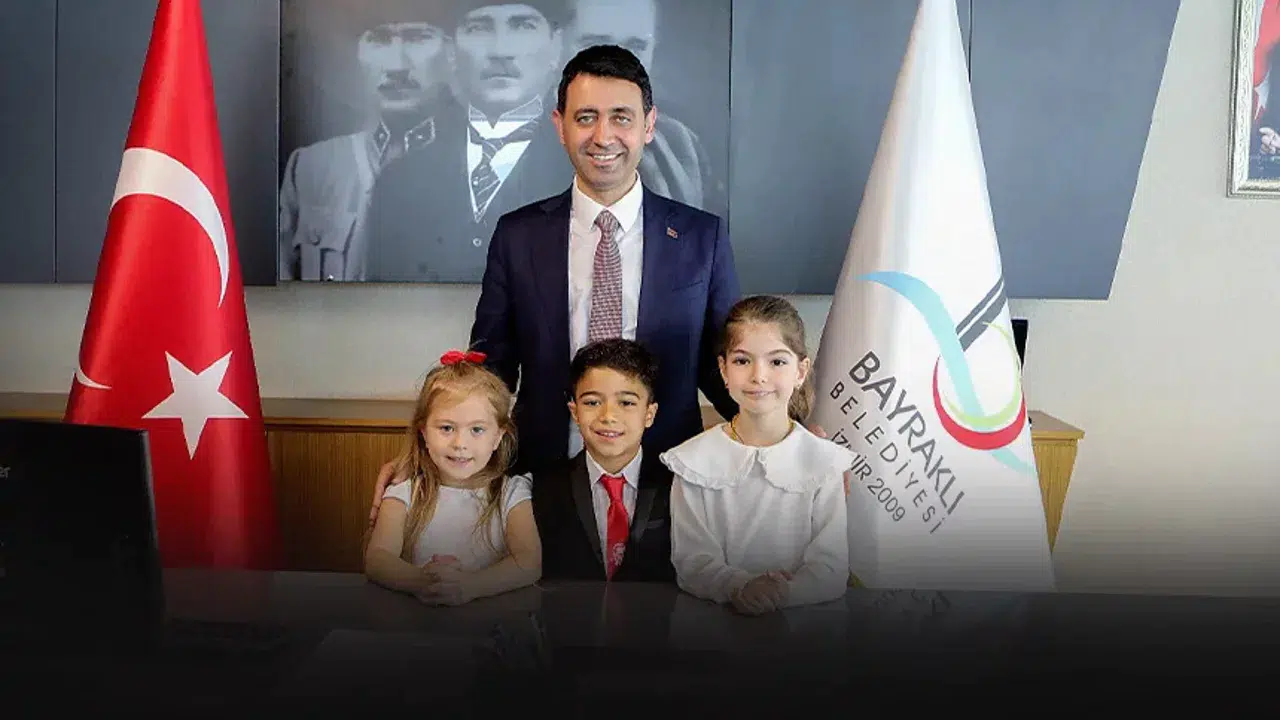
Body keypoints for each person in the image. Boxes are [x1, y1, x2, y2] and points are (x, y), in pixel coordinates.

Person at [469, 43, 740, 476]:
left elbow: (725, 368)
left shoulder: (702, 238)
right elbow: (490, 370)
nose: (603, 136)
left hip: (668, 478)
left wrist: (792, 440)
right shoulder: (517, 236)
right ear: (560, 126)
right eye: (585, 118)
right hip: (546, 477)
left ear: (649, 125)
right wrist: (430, 458)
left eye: (621, 117)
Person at [660, 296, 854, 615]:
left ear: (801, 371)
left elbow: (830, 569)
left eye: (777, 362)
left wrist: (781, 593)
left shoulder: (826, 463)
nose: (758, 376)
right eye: (742, 361)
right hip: (712, 629)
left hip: (802, 629)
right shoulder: (692, 461)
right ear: (723, 370)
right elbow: (693, 563)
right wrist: (742, 587)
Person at [364, 0, 574, 282]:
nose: (500, 51)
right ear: (452, 52)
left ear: (555, 47)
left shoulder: (586, 174)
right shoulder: (399, 181)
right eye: (478, 29)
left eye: (523, 26)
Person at [279, 2, 454, 281]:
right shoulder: (311, 167)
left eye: (418, 38)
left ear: (451, 53)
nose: (397, 65)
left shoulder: (475, 170)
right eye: (379, 39)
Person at [364, 349, 541, 605]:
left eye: (477, 429)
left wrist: (469, 586)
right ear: (424, 433)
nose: (460, 443)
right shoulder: (404, 492)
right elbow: (377, 558)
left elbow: (529, 562)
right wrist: (423, 582)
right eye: (446, 428)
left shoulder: (512, 493)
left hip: (493, 623)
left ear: (498, 437)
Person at [531, 338, 675, 581]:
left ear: (649, 414)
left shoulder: (675, 484)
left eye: (626, 403)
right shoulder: (543, 488)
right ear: (575, 412)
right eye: (592, 402)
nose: (608, 416)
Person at [562, 0, 717, 210]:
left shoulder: (682, 143)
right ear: (557, 43)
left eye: (636, 46)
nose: (619, 65)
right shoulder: (523, 150)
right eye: (596, 47)